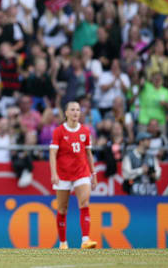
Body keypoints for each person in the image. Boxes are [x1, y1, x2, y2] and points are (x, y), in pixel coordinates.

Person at [49, 101, 97, 249]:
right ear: (66, 113)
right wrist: (54, 173)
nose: (76, 112)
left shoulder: (85, 131)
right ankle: (63, 243)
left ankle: (85, 240)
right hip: (63, 175)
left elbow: (88, 153)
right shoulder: (59, 132)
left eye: (78, 110)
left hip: (81, 173)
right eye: (72, 110)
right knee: (62, 209)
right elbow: (52, 153)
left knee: (84, 203)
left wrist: (93, 173)